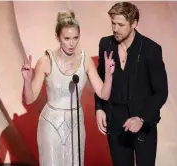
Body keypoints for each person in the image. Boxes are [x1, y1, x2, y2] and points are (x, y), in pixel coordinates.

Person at [21, 11, 115, 166]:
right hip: (51, 124)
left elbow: (104, 95)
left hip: (75, 124)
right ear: (58, 37)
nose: (72, 43)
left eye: (75, 38)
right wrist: (27, 80)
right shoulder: (45, 61)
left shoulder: (85, 61)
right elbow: (30, 99)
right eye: (67, 38)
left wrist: (110, 75)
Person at [94, 2, 168, 166]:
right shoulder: (106, 44)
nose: (115, 29)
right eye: (113, 23)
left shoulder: (151, 49)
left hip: (142, 126)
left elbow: (161, 92)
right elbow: (100, 79)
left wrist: (141, 118)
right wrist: (99, 107)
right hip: (115, 125)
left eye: (120, 24)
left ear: (134, 23)